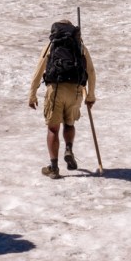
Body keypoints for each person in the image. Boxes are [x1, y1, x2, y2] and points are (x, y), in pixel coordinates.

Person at [28, 19, 96, 179]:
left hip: (56, 89)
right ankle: (69, 148)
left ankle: (54, 167)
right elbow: (91, 71)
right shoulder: (79, 46)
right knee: (69, 123)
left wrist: (32, 94)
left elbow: (39, 69)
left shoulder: (52, 45)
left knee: (53, 128)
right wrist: (90, 96)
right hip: (76, 90)